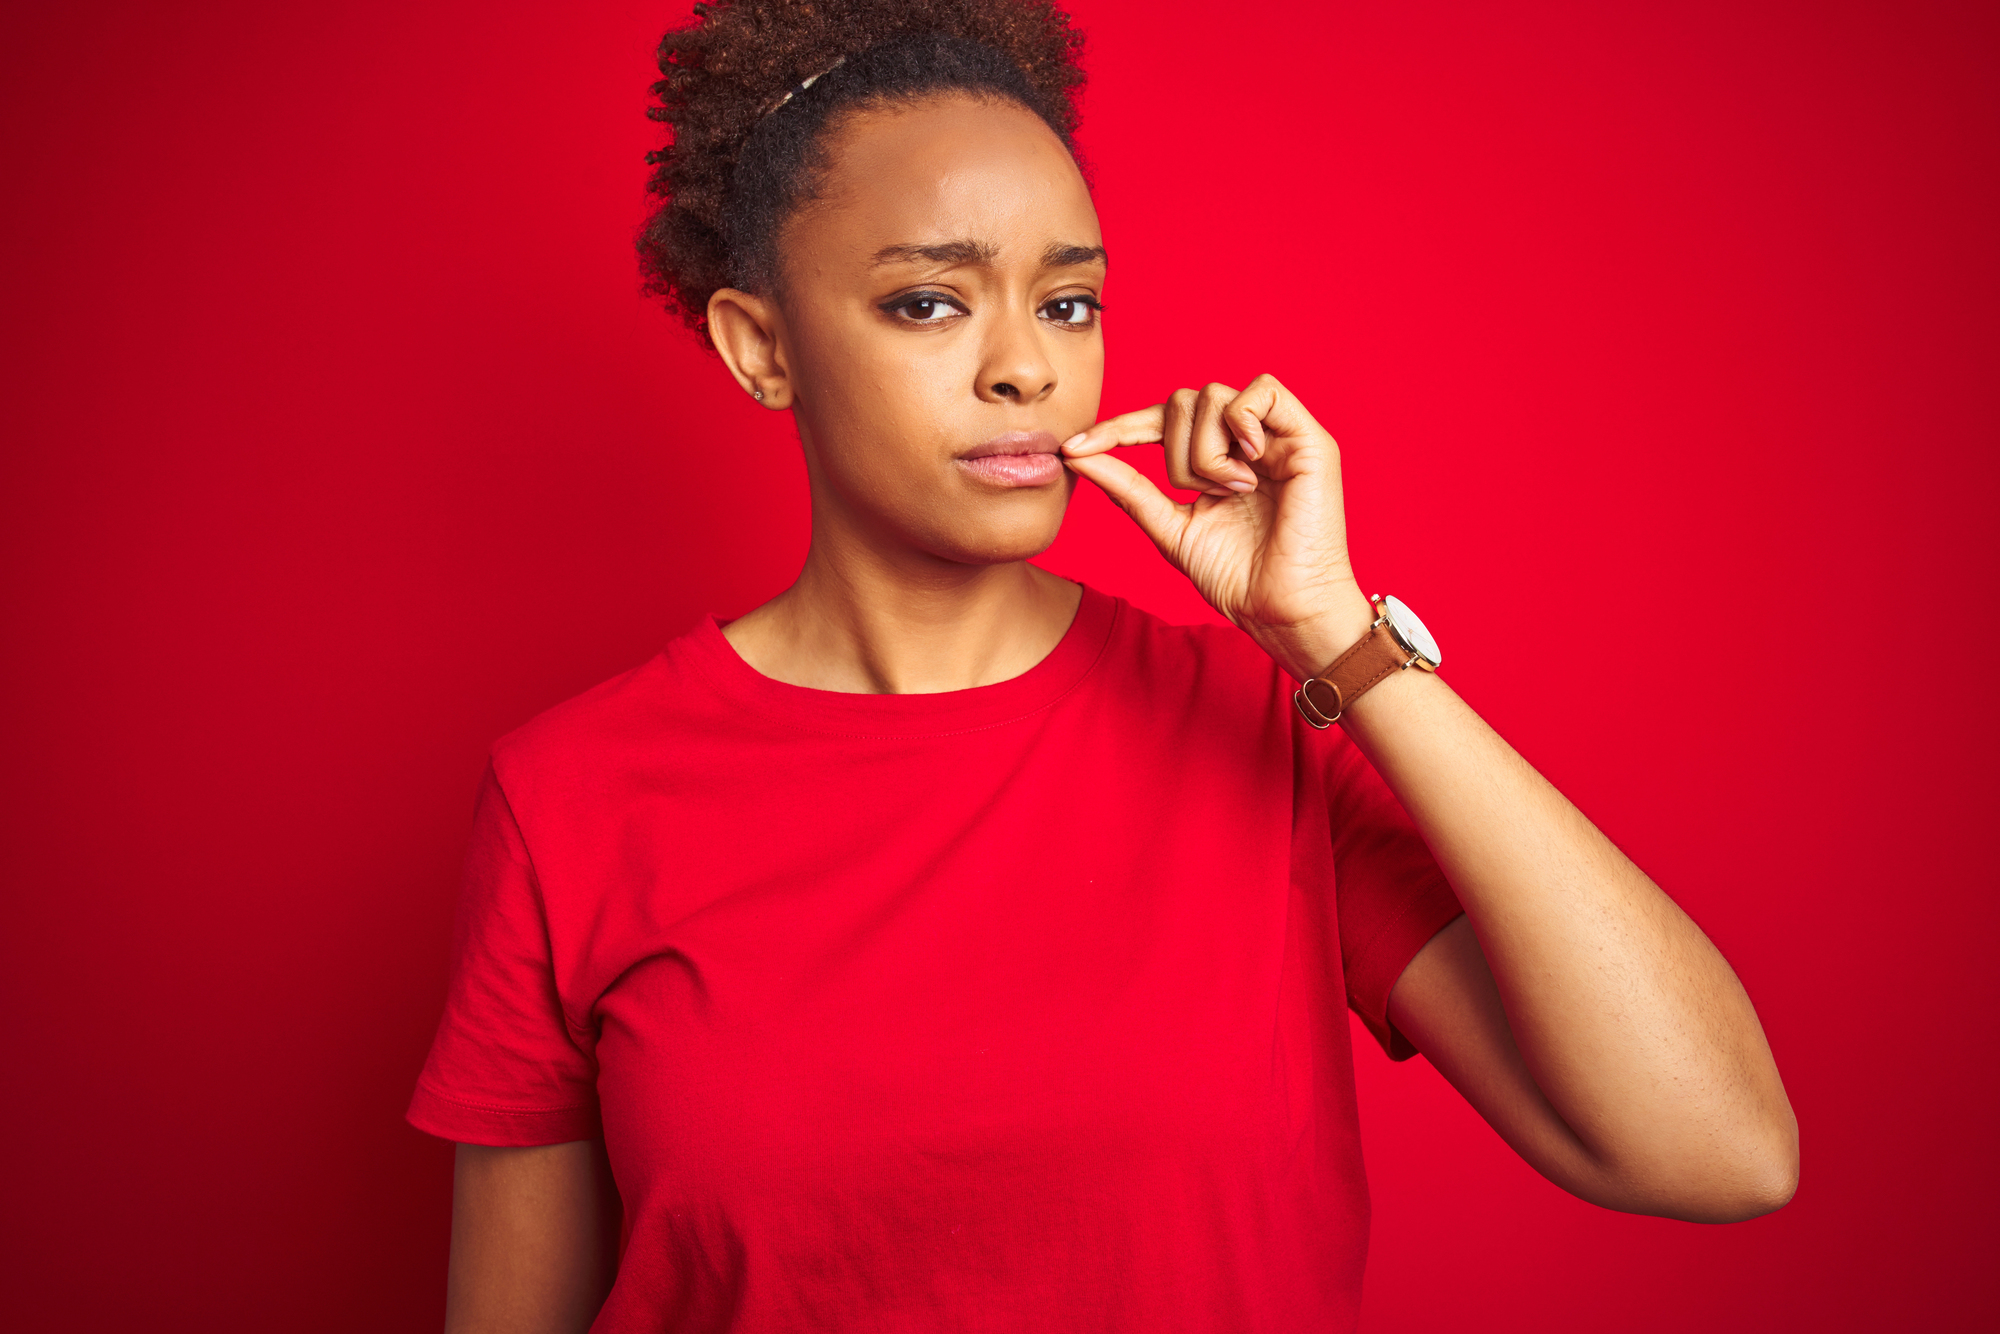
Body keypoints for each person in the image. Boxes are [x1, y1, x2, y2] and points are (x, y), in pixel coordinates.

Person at [407, 2, 1798, 1330]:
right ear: (760, 347)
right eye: (928, 304)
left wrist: (1334, 639)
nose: (1025, 367)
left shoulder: (1267, 722)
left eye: (1067, 304)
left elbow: (1718, 1149)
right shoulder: (573, 798)